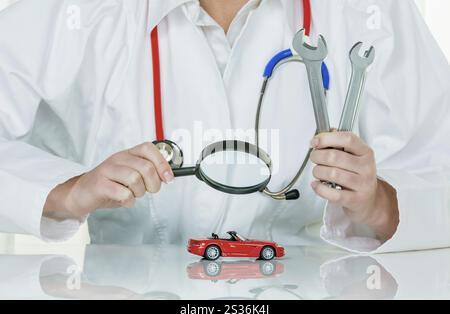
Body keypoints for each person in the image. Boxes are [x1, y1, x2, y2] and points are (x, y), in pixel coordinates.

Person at [0, 0, 449, 252]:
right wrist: (66, 192)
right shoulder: (72, 9)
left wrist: (376, 206)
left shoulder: (373, 10)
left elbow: (439, 168)